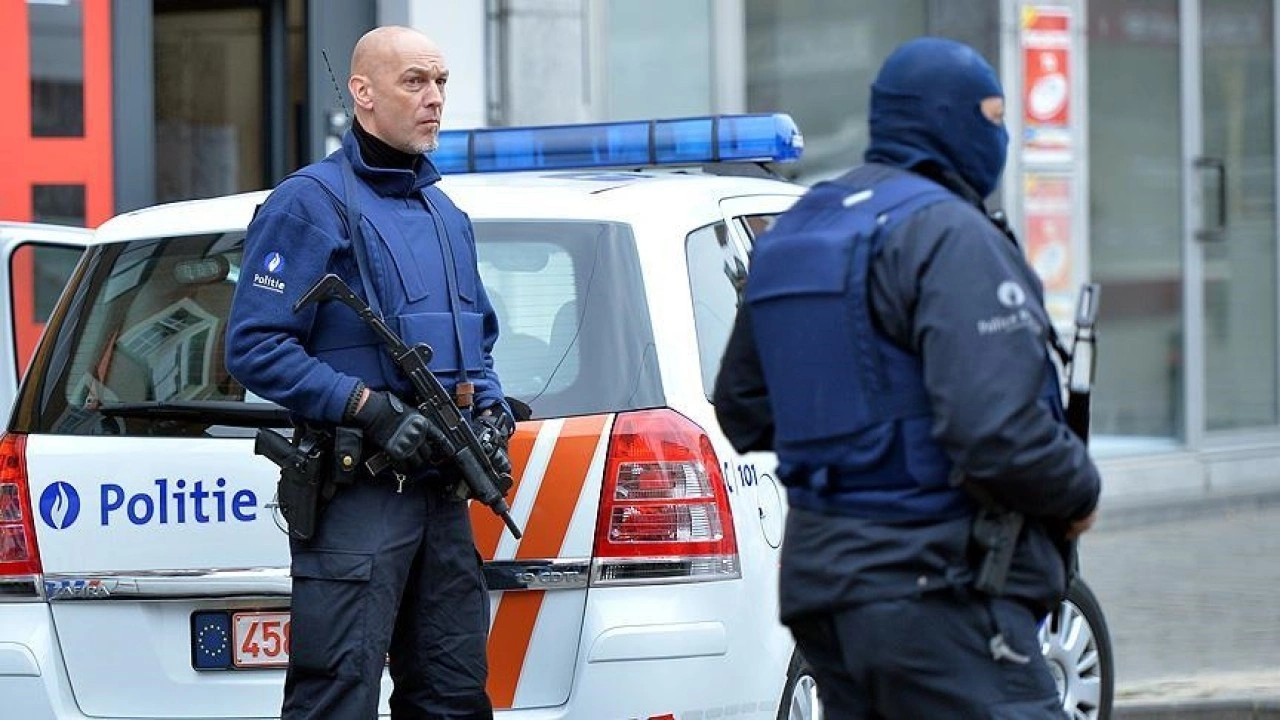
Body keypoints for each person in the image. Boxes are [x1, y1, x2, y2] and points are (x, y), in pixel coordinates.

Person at [713, 37, 1101, 718]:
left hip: (822, 587)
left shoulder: (797, 229)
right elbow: (998, 432)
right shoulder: (949, 234)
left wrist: (858, 443)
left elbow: (743, 407)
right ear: (946, 118)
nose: (1002, 135)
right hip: (940, 588)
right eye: (993, 116)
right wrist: (1079, 492)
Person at [225, 25, 512, 720]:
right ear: (362, 92)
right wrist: (367, 407)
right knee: (337, 697)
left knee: (453, 698)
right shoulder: (308, 203)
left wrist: (492, 412)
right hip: (359, 499)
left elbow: (478, 345)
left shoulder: (447, 215)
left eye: (441, 82)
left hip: (442, 497)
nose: (434, 98)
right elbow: (255, 346)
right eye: (415, 81)